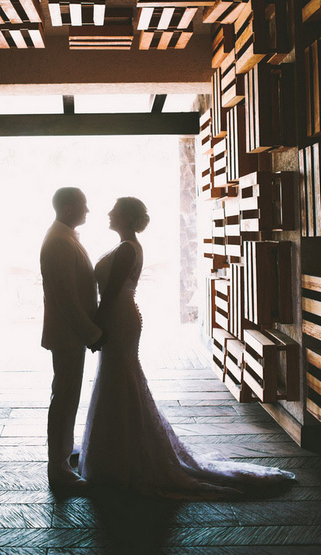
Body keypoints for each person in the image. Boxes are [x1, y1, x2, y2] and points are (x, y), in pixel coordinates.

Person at [79, 196, 296, 497]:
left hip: (119, 319)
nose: (108, 212)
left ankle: (122, 456)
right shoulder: (125, 247)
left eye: (114, 209)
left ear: (127, 218)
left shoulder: (128, 249)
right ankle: (118, 451)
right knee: (117, 379)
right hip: (120, 318)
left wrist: (94, 331)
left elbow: (112, 293)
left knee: (120, 378)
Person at [40, 187, 105, 492]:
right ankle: (59, 469)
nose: (87, 211)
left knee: (67, 397)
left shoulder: (64, 237)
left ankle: (64, 454)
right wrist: (91, 333)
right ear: (67, 208)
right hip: (67, 335)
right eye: (83, 205)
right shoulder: (58, 242)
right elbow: (66, 298)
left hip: (69, 335)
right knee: (65, 399)